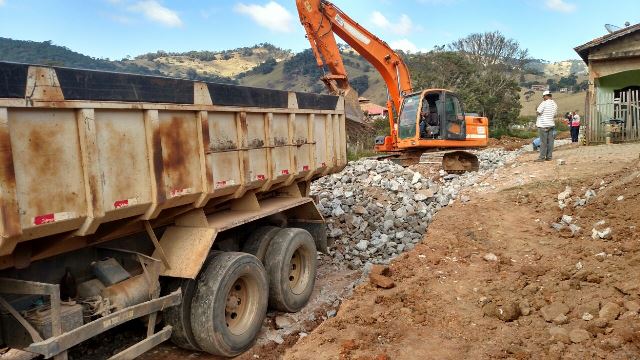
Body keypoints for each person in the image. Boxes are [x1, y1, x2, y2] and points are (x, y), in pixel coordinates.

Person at [535, 90, 558, 161]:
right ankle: (549, 157)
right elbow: (555, 114)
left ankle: (541, 158)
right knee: (550, 142)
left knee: (543, 142)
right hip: (551, 125)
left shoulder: (544, 103)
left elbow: (538, 112)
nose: (543, 98)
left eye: (543, 96)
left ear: (546, 96)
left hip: (543, 125)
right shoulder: (555, 104)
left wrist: (537, 110)